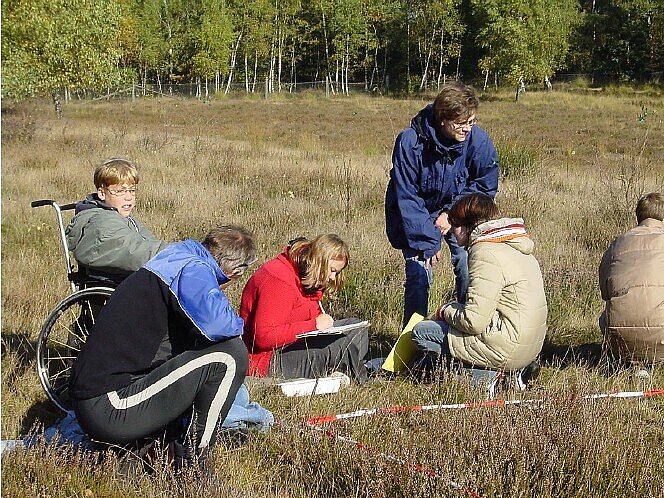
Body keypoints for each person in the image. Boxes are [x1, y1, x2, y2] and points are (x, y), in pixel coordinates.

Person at [69, 225, 257, 470]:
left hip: (99, 399)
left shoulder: (176, 257)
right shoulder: (194, 271)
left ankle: (155, 449)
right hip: (110, 406)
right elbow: (219, 326)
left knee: (207, 353)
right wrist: (241, 322)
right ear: (234, 272)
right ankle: (192, 467)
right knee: (230, 356)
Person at [385, 82, 499, 327]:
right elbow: (407, 195)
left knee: (470, 266)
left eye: (472, 121)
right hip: (417, 215)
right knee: (418, 275)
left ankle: (468, 331)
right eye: (461, 123)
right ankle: (412, 341)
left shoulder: (478, 141)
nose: (467, 128)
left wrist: (452, 213)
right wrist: (427, 239)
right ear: (442, 119)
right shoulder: (410, 142)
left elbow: (485, 185)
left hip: (459, 212)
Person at [409, 194, 547, 387]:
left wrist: (445, 311)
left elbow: (474, 322)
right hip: (530, 347)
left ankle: (487, 378)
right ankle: (516, 371)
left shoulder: (485, 252)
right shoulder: (516, 245)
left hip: (508, 347)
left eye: (454, 226)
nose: (452, 234)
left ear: (467, 227)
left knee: (421, 332)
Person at [241, 234, 369, 383]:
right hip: (266, 360)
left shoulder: (307, 275)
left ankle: (344, 372)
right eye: (332, 270)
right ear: (319, 262)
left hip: (294, 343)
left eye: (337, 272)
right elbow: (264, 337)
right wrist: (313, 325)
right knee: (340, 346)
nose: (333, 277)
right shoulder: (278, 280)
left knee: (357, 330)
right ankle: (363, 382)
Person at [66, 157, 168, 286]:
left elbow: (148, 243)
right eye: (120, 191)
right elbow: (132, 250)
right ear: (102, 193)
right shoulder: (103, 222)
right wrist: (175, 254)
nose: (128, 197)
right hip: (117, 285)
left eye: (132, 190)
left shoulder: (126, 219)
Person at [599, 192, 664, 366]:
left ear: (638, 215)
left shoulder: (617, 243)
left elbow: (605, 292)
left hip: (619, 339)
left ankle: (636, 363)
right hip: (660, 335)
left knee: (604, 316)